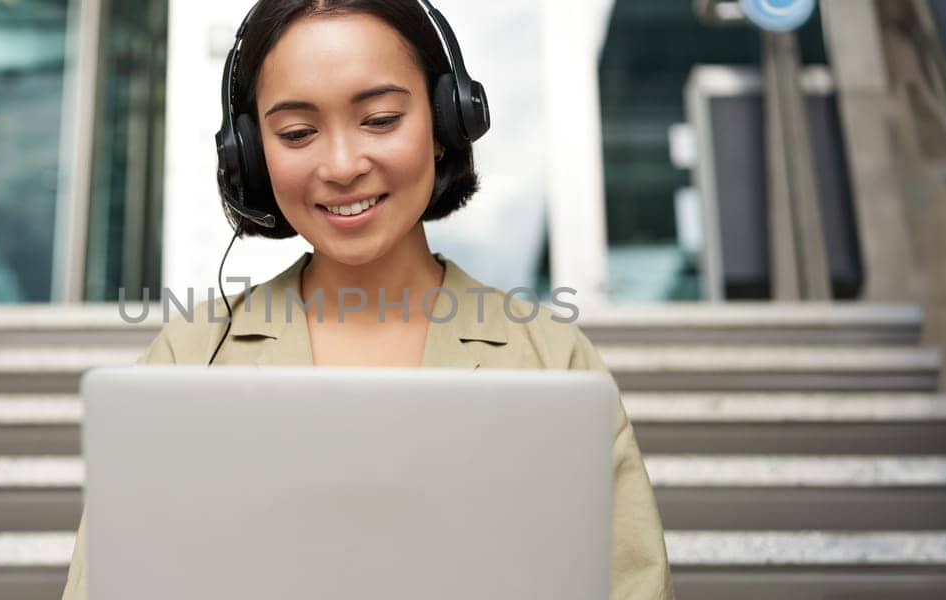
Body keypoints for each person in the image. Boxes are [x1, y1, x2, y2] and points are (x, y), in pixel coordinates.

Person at [61, 1, 674, 598]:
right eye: (298, 132)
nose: (343, 164)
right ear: (249, 157)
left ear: (445, 122)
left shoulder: (551, 357)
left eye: (379, 119)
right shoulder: (188, 356)